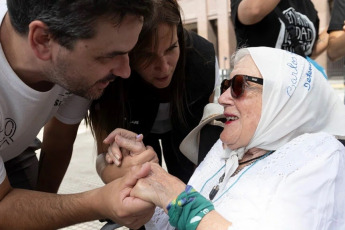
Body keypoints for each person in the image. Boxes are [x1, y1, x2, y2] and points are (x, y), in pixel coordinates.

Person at [109, 47, 345, 229]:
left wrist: (179, 198)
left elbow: (182, 204)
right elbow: (170, 221)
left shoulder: (320, 154)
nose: (222, 98)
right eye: (226, 85)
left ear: (282, 98)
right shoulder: (227, 149)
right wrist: (144, 170)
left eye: (239, 86)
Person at [0, 0, 157, 228]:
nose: (125, 71)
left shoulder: (72, 58)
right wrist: (101, 201)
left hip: (16, 146)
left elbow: (59, 141)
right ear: (43, 40)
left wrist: (42, 215)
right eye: (108, 56)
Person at [88, 0, 219, 184]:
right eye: (147, 56)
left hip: (185, 129)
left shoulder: (203, 59)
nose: (164, 67)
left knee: (189, 178)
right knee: (137, 180)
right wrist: (112, 170)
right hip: (135, 127)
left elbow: (209, 149)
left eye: (171, 48)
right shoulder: (111, 76)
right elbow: (105, 155)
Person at [231, 0, 328, 59]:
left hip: (294, 88)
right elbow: (253, 10)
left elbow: (308, 50)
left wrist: (336, 28)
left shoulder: (307, 5)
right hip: (260, 88)